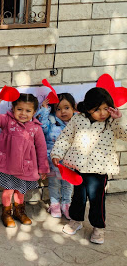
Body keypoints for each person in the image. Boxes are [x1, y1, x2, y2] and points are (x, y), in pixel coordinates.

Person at [51, 87, 127, 244]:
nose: (103, 113)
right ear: (88, 107)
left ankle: (98, 228)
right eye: (97, 109)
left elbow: (125, 135)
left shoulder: (112, 122)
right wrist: (57, 154)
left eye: (106, 108)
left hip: (99, 171)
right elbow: (65, 138)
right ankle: (76, 220)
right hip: (78, 168)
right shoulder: (78, 119)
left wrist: (119, 119)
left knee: (96, 200)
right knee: (78, 197)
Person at [0, 93, 49, 227]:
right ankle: (6, 213)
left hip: (25, 166)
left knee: (20, 191)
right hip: (7, 165)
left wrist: (43, 168)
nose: (23, 113)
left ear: (34, 112)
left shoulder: (36, 128)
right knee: (8, 190)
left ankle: (19, 211)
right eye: (19, 109)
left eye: (28, 110)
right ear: (13, 109)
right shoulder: (8, 121)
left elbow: (41, 149)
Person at [37, 93, 76, 219]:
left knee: (68, 183)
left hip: (71, 161)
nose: (63, 112)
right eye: (58, 109)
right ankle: (55, 204)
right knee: (54, 183)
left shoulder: (78, 122)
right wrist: (44, 110)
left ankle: (67, 204)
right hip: (54, 161)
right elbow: (42, 129)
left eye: (66, 108)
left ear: (73, 108)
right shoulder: (52, 121)